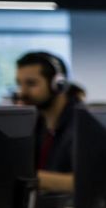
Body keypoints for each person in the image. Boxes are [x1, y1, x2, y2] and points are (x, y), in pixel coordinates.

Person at [15, 51, 76, 193]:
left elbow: (84, 181)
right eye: (19, 84)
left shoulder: (81, 124)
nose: (22, 92)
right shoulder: (36, 123)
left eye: (31, 83)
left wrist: (23, 178)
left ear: (58, 85)